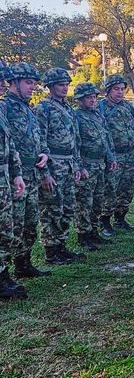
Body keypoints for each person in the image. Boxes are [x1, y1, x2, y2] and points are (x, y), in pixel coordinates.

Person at [0, 62, 50, 278]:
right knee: (13, 224)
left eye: (34, 83)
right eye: (28, 83)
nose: (32, 87)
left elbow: (39, 137)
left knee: (30, 221)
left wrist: (45, 154)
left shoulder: (28, 109)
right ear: (14, 83)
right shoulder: (5, 108)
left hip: (30, 172)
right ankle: (6, 271)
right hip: (13, 175)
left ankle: (24, 263)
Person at [34, 68, 86, 265]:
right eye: (60, 85)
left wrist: (78, 165)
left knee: (68, 207)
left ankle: (61, 246)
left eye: (66, 84)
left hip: (69, 163)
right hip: (53, 165)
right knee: (51, 208)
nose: (65, 88)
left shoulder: (68, 109)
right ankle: (51, 251)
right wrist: (44, 173)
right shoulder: (43, 109)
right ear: (50, 87)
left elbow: (76, 140)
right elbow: (40, 142)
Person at [73, 83, 118, 251]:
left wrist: (110, 157)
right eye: (88, 97)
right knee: (84, 201)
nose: (92, 100)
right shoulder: (76, 116)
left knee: (98, 200)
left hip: (100, 164)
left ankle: (93, 231)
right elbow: (75, 143)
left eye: (94, 97)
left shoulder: (97, 115)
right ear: (80, 99)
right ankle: (83, 236)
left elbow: (105, 138)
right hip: (86, 164)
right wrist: (79, 166)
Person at [98, 75, 134, 234]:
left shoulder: (128, 106)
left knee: (127, 188)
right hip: (113, 156)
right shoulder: (101, 107)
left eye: (122, 89)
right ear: (108, 90)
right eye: (116, 89)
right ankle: (104, 221)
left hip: (130, 154)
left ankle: (120, 218)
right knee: (110, 188)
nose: (120, 92)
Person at [0, 61, 27, 299]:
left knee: (6, 228)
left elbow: (9, 145)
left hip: (6, 176)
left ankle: (4, 274)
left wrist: (16, 172)